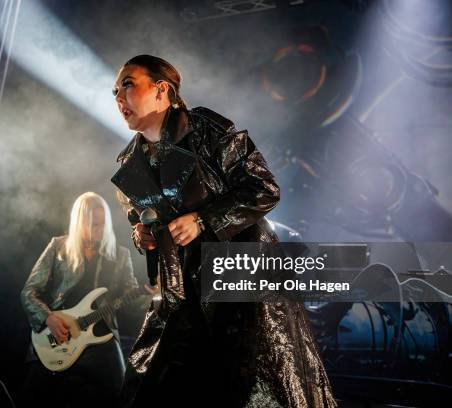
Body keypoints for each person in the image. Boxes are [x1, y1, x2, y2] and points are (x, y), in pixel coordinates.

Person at [111, 55, 337, 408]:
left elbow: (263, 189)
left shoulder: (205, 131)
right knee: (153, 383)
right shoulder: (129, 164)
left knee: (248, 386)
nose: (118, 97)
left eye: (127, 84)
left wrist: (203, 219)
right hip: (179, 294)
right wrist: (144, 237)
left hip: (238, 283)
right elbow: (140, 221)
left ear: (162, 90)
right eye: (114, 91)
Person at [19, 192, 142, 407]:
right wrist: (48, 318)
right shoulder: (58, 247)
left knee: (121, 395)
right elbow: (29, 291)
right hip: (59, 334)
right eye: (94, 224)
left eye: (103, 224)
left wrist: (151, 293)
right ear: (80, 222)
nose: (100, 229)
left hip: (101, 339)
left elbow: (132, 298)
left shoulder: (120, 255)